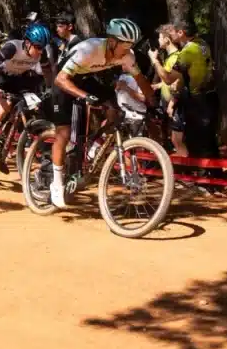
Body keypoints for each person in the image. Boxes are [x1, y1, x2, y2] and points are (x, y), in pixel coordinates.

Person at [48, 19, 155, 208]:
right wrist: (85, 96)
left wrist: (153, 106)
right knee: (63, 133)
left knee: (114, 109)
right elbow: (61, 79)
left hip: (85, 79)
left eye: (131, 45)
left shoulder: (127, 56)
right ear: (112, 41)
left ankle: (94, 146)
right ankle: (56, 183)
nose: (128, 49)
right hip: (63, 82)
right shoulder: (89, 49)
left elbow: (142, 81)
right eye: (125, 45)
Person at [0, 25, 54, 152]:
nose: (41, 51)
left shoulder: (40, 53)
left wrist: (49, 88)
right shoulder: (12, 47)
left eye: (43, 47)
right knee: (7, 103)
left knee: (34, 103)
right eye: (38, 47)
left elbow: (47, 71)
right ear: (27, 43)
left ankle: (11, 135)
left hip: (17, 77)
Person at [155, 20, 218, 161]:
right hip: (209, 95)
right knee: (208, 140)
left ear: (181, 33)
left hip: (197, 100)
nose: (171, 34)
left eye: (173, 31)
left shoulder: (187, 51)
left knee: (196, 141)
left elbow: (168, 78)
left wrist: (155, 61)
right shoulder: (201, 43)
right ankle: (213, 176)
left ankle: (203, 176)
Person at [148, 24, 186, 156]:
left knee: (178, 141)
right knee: (175, 140)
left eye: (160, 38)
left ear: (166, 39)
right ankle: (185, 171)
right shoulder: (170, 58)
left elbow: (178, 82)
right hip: (169, 105)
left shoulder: (176, 57)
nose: (158, 41)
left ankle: (187, 171)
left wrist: (172, 103)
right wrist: (157, 86)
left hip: (176, 105)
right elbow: (167, 81)